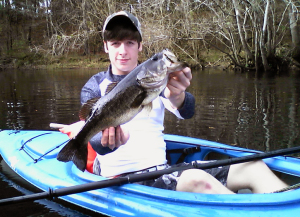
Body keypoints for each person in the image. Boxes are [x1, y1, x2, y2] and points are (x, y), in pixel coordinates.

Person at [61, 11, 288, 194]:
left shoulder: (151, 79)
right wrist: (110, 142)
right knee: (198, 179)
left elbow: (186, 110)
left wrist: (178, 96)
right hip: (123, 179)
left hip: (163, 171)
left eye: (130, 42)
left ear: (140, 46)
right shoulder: (95, 86)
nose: (123, 51)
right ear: (105, 46)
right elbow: (98, 141)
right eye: (116, 43)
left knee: (254, 166)